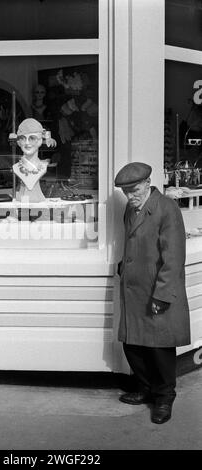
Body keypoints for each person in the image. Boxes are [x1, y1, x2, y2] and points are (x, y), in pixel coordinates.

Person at [114, 162, 191, 424]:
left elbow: (174, 257)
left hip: (155, 291)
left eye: (134, 189)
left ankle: (164, 397)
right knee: (133, 345)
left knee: (159, 348)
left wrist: (162, 295)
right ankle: (146, 389)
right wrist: (124, 265)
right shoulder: (131, 208)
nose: (130, 195)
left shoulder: (166, 209)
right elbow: (134, 242)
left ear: (148, 183)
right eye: (126, 191)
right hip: (134, 290)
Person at [12, 118, 56, 203]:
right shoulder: (16, 167)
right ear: (18, 142)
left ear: (40, 141)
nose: (27, 143)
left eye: (32, 138)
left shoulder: (43, 166)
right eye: (23, 138)